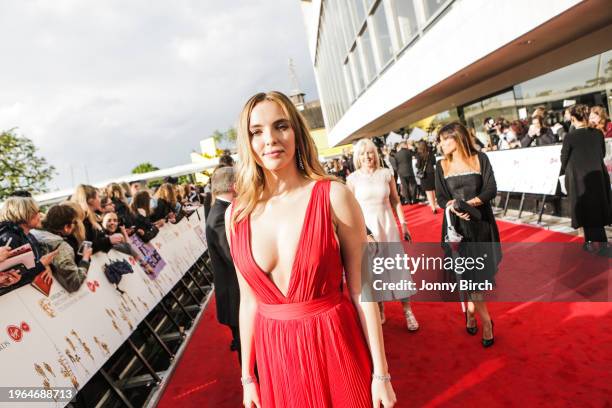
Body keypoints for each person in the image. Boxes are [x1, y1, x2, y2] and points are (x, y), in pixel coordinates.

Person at [227, 91, 396, 407]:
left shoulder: (334, 196)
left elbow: (362, 290)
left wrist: (381, 374)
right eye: (256, 131)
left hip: (334, 343)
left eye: (281, 126)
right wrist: (247, 377)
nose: (271, 139)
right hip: (276, 357)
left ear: (298, 133)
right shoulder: (236, 214)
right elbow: (248, 301)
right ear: (246, 142)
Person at [434, 122, 502, 348]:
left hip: (481, 225)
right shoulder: (441, 165)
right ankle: (486, 322)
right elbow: (442, 198)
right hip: (457, 229)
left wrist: (468, 204)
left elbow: (491, 189)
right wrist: (455, 206)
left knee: (478, 277)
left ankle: (471, 313)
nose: (441, 144)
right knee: (468, 277)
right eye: (440, 140)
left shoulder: (480, 158)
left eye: (445, 139)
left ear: (458, 138)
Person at [347, 138, 419, 332]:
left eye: (369, 152)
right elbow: (351, 210)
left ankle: (407, 311)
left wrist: (403, 223)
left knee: (397, 269)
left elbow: (396, 200)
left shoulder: (386, 174)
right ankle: (380, 309)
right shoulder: (352, 179)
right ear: (357, 157)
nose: (367, 157)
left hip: (388, 228)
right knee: (374, 272)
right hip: (367, 232)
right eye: (362, 154)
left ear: (375, 154)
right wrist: (361, 233)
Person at [560, 104, 612, 253]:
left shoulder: (570, 136)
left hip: (578, 178)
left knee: (585, 209)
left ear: (573, 118)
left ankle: (595, 243)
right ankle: (596, 243)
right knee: (596, 208)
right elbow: (601, 153)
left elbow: (564, 159)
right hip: (597, 175)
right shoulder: (597, 133)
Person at [205, 166, 241, 358]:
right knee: (249, 353)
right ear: (235, 186)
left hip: (237, 294)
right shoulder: (219, 215)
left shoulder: (221, 210)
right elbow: (232, 256)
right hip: (236, 296)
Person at [0, 197, 57, 295]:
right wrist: (42, 265)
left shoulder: (28, 235)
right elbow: (16, 277)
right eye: (36, 211)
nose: (40, 215)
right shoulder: (10, 238)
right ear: (25, 214)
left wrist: (46, 266)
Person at [31, 205, 91, 293]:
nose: (76, 225)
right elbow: (74, 283)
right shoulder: (61, 247)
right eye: (74, 222)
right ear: (66, 227)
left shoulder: (32, 233)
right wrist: (85, 259)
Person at [71, 185, 124, 253]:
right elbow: (83, 248)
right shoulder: (83, 220)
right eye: (98, 197)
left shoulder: (91, 217)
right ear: (91, 201)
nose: (100, 200)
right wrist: (108, 240)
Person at [416, 140, 438, 213]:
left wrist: (417, 164)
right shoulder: (430, 152)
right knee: (433, 190)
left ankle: (433, 207)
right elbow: (434, 162)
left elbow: (418, 165)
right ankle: (434, 204)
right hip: (431, 172)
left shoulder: (419, 154)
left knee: (428, 192)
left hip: (424, 174)